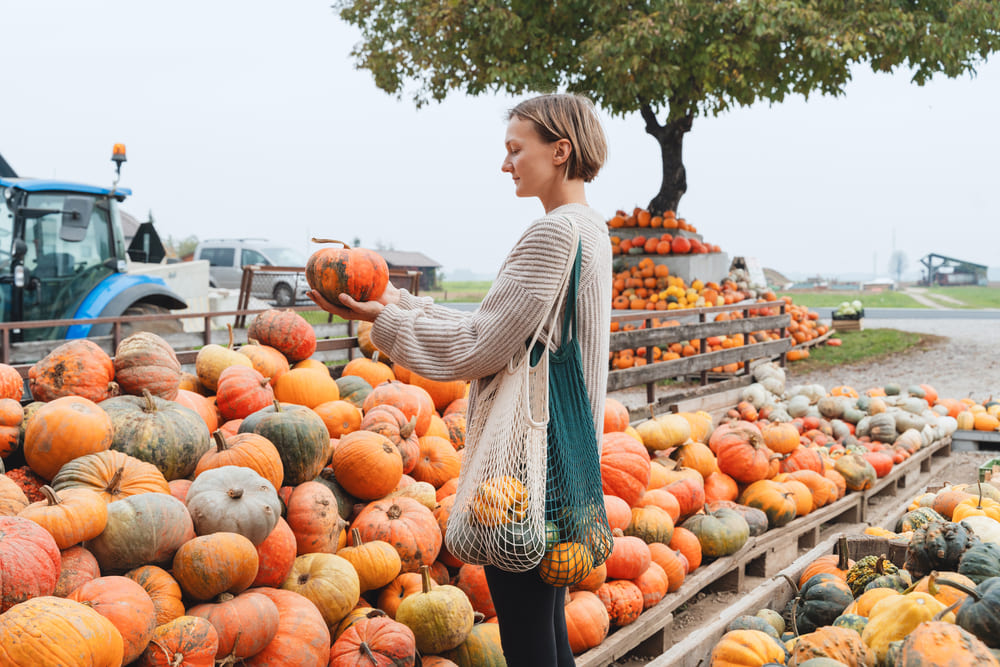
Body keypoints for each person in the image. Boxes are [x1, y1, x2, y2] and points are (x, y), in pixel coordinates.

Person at [308, 92, 612, 666]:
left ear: (560, 151)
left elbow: (479, 347)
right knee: (546, 629)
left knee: (525, 639)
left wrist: (388, 322)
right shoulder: (590, 229)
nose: (506, 165)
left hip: (524, 462)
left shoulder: (550, 234)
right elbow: (507, 329)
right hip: (566, 456)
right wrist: (395, 303)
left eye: (515, 150)